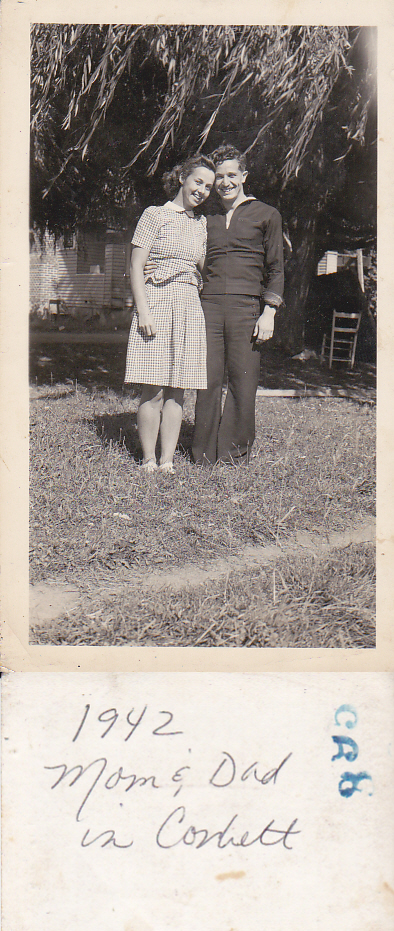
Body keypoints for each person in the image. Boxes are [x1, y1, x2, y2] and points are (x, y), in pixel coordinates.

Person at [192, 145, 284, 465]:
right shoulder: (208, 218)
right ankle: (202, 454)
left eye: (232, 175)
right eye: (219, 177)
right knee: (208, 379)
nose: (225, 182)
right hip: (210, 306)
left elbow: (276, 268)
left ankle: (234, 454)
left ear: (244, 176)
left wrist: (268, 312)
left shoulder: (267, 214)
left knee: (243, 380)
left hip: (247, 307)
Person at [124, 155, 215, 473]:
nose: (202, 190)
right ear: (182, 178)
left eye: (208, 187)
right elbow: (136, 265)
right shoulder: (154, 215)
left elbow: (205, 268)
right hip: (157, 303)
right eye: (198, 182)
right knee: (153, 386)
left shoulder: (201, 224)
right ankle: (148, 459)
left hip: (189, 306)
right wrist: (143, 310)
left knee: (178, 388)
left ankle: (167, 461)